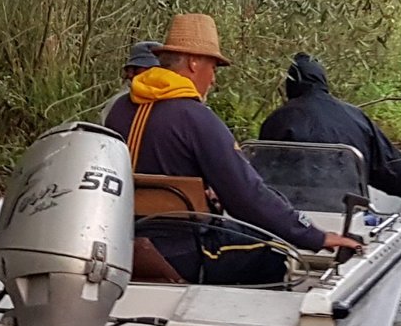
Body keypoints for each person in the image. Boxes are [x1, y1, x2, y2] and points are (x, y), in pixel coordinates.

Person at [102, 15, 364, 284]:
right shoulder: (196, 118)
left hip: (120, 247)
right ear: (194, 62)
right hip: (182, 255)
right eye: (213, 67)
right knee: (275, 251)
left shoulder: (119, 110)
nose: (213, 79)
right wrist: (313, 236)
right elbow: (247, 198)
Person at [258, 54, 401, 199]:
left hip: (290, 212)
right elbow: (391, 169)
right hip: (345, 211)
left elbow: (262, 173)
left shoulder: (276, 121)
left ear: (290, 84)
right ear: (323, 80)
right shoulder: (355, 117)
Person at [99, 40, 162, 122]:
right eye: (129, 69)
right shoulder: (118, 103)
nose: (130, 75)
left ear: (155, 70)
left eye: (136, 69)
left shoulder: (174, 101)